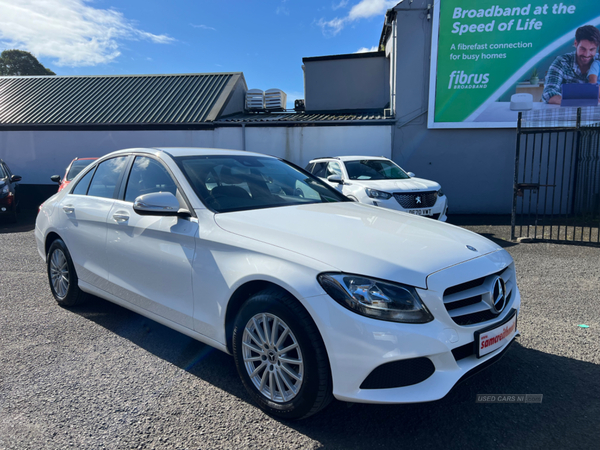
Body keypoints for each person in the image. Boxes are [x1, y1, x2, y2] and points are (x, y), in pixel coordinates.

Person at [542, 25, 600, 104]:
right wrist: (578, 101)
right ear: (576, 43)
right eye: (583, 49)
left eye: (592, 49)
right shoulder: (561, 62)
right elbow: (548, 93)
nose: (587, 54)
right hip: (567, 113)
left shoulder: (598, 62)